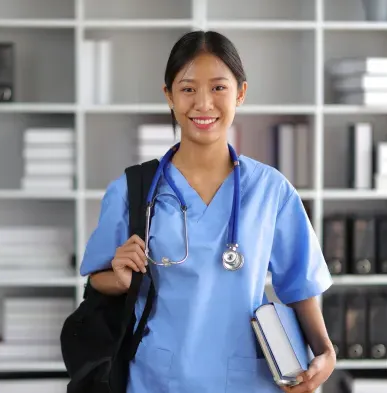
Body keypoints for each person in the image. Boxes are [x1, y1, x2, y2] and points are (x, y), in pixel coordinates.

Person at [79, 30, 336, 393]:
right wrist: (121, 279)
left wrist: (326, 352)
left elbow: (299, 285)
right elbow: (96, 279)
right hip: (158, 378)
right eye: (187, 89)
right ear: (168, 95)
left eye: (218, 88)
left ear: (240, 93)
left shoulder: (271, 190)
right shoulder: (132, 190)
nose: (203, 104)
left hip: (247, 379)